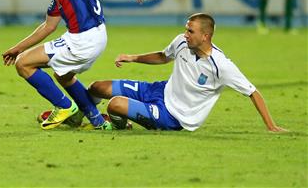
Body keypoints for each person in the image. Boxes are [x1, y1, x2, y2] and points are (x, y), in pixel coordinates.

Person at [2, 0, 154, 130]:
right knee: (63, 75)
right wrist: (17, 48)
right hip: (91, 36)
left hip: (84, 38)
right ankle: (98, 122)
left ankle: (64, 107)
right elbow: (48, 26)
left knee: (24, 64)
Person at [87, 13, 287, 133]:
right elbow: (163, 56)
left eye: (191, 31)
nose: (185, 34)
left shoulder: (221, 65)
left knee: (115, 105)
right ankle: (79, 116)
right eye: (186, 29)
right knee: (97, 87)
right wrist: (133, 57)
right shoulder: (182, 42)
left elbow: (252, 92)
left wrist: (271, 125)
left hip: (173, 116)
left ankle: (120, 127)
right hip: (159, 90)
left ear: (205, 36)